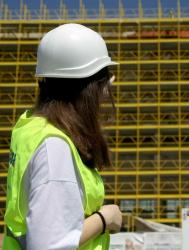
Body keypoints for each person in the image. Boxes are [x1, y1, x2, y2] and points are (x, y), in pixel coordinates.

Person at [3, 23, 122, 249]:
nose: (107, 94)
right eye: (105, 84)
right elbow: (49, 245)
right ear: (90, 89)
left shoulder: (30, 125)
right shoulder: (53, 147)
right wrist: (105, 219)